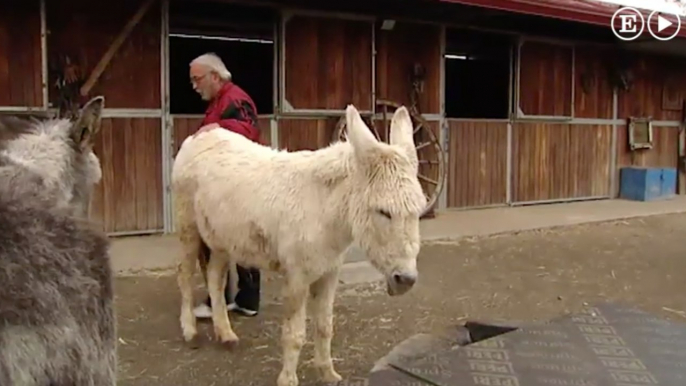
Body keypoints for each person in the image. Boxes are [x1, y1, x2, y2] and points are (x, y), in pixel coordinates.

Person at [188, 52, 261, 318]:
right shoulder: (220, 101)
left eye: (197, 80)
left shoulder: (235, 99)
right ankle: (237, 298)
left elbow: (248, 129)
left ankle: (231, 300)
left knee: (230, 240)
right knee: (229, 241)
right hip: (226, 183)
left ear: (215, 76)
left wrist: (216, 127)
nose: (195, 86)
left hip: (238, 182)